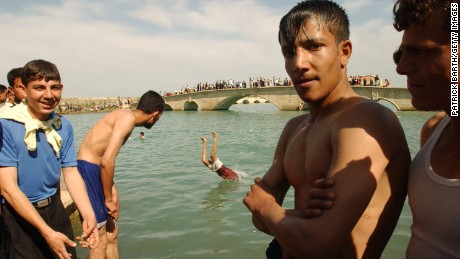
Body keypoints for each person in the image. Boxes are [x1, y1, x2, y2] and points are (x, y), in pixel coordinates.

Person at [242, 1, 410, 258]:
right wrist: (285, 215)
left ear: (344, 52)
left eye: (313, 46)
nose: (298, 63)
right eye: (289, 53)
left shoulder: (367, 120)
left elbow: (317, 243)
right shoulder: (294, 128)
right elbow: (256, 217)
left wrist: (266, 207)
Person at [0, 59, 99, 259]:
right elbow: (7, 188)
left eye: (54, 88)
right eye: (39, 87)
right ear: (24, 90)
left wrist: (89, 214)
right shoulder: (6, 126)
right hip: (18, 214)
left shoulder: (63, 126)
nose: (48, 95)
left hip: (54, 209)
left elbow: (70, 171)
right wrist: (46, 232)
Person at [77, 90, 164, 259]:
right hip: (88, 169)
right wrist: (108, 199)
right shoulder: (127, 119)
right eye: (159, 117)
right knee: (99, 236)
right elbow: (107, 161)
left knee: (111, 232)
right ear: (155, 114)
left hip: (95, 170)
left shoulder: (126, 118)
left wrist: (112, 188)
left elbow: (104, 156)